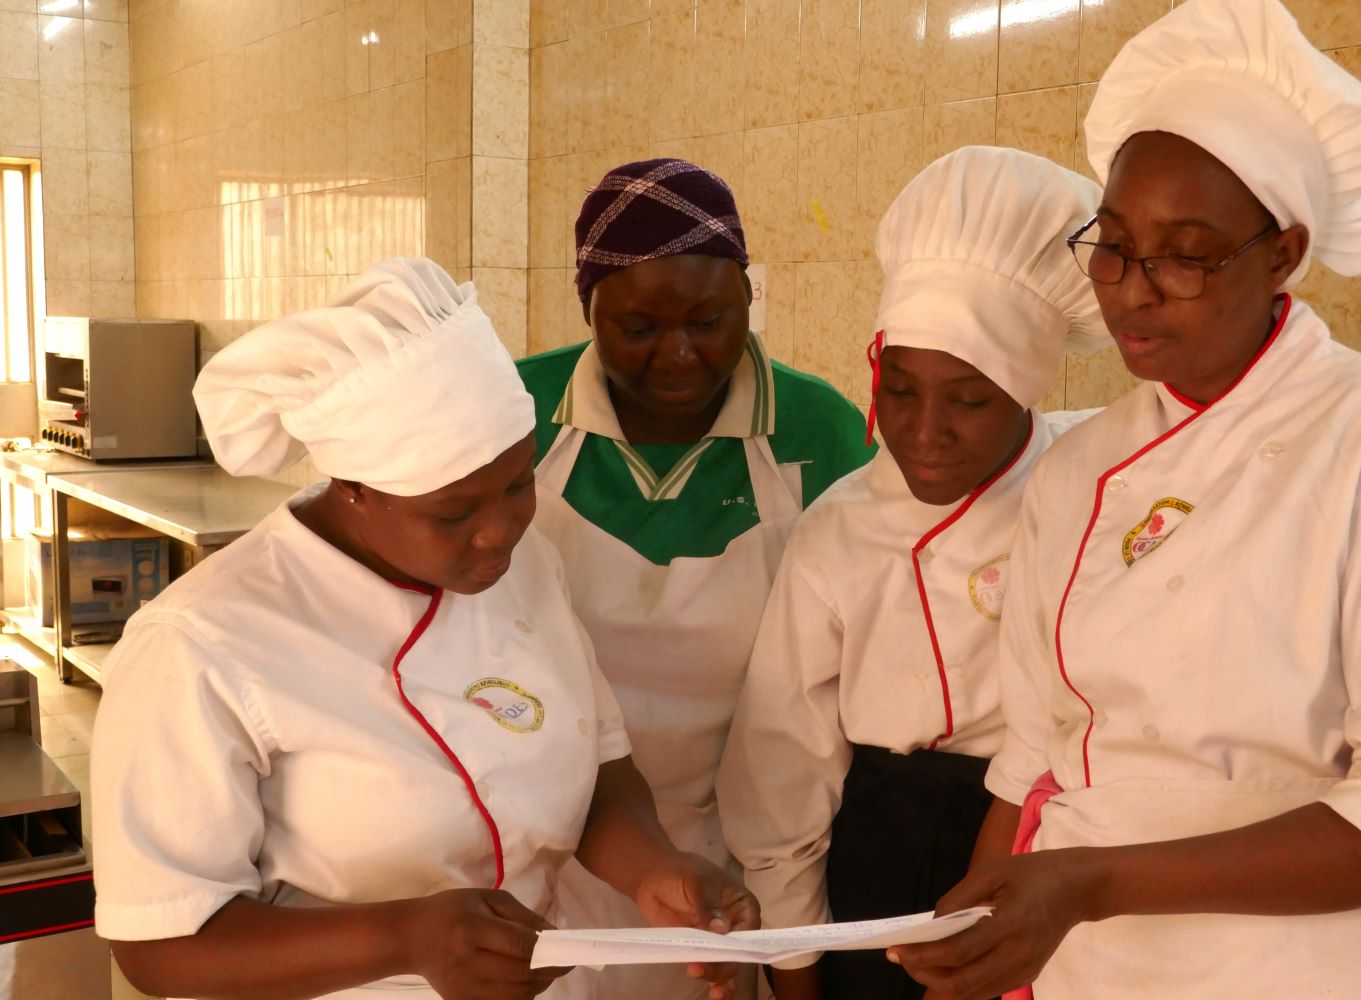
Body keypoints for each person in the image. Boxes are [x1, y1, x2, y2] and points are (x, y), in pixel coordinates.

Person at [885, 2, 1361, 998]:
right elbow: (1038, 757)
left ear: (1284, 252)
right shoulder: (1082, 469)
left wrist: (1091, 881)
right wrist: (984, 940)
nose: (1130, 290)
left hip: (1327, 972)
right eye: (1114, 244)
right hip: (1095, 967)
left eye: (1185, 253)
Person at [90, 258, 758, 1000]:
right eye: (454, 513)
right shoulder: (200, 644)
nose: (499, 532)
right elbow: (157, 943)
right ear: (354, 489)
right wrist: (405, 938)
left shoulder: (526, 566)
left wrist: (654, 868)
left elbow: (597, 762)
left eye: (517, 485)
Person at [717, 146, 1110, 1000]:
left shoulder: (1093, 484)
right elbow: (783, 772)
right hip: (881, 861)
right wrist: (794, 972)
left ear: (1027, 390)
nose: (925, 431)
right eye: (899, 390)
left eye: (969, 399)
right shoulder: (838, 534)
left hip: (1059, 851)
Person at [516, 159, 875, 1000]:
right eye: (636, 327)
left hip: (739, 868)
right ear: (587, 310)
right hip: (539, 857)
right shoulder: (518, 411)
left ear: (749, 298)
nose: (677, 355)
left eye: (709, 320)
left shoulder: (816, 429)